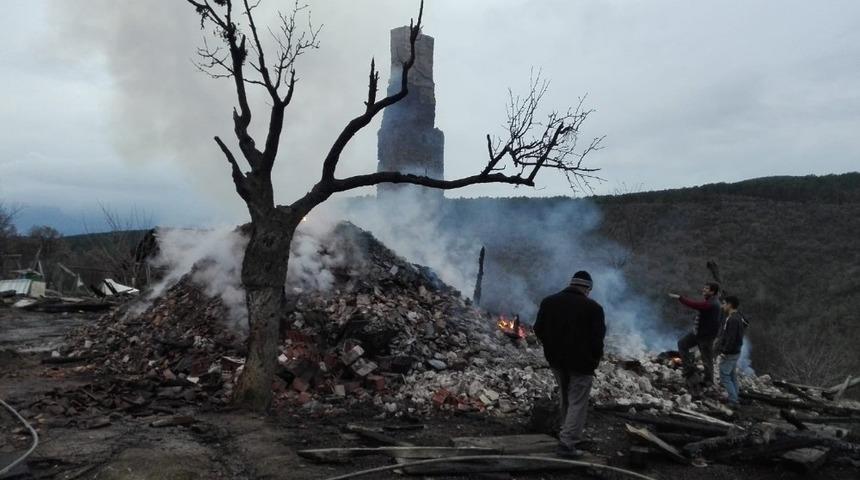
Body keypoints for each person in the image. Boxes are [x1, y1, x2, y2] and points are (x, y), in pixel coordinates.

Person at [534, 271, 606, 458]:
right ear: (587, 288)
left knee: (565, 397)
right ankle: (567, 444)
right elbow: (597, 341)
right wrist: (594, 360)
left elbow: (538, 329)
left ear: (571, 284)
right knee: (577, 402)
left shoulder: (549, 302)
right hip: (581, 364)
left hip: (556, 360)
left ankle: (565, 433)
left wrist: (550, 347)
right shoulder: (594, 308)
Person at [669, 282, 721, 393]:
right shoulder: (710, 301)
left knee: (706, 358)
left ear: (712, 291)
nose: (704, 289)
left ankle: (709, 381)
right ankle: (689, 369)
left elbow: (697, 305)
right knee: (682, 344)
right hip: (697, 333)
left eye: (706, 288)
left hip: (705, 337)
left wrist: (680, 298)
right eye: (704, 287)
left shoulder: (713, 303)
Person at [717, 296, 748, 407]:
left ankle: (733, 400)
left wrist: (724, 351)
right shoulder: (737, 317)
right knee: (732, 374)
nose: (722, 306)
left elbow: (731, 338)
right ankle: (736, 395)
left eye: (724, 303)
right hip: (736, 351)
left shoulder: (733, 319)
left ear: (729, 305)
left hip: (731, 352)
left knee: (724, 375)